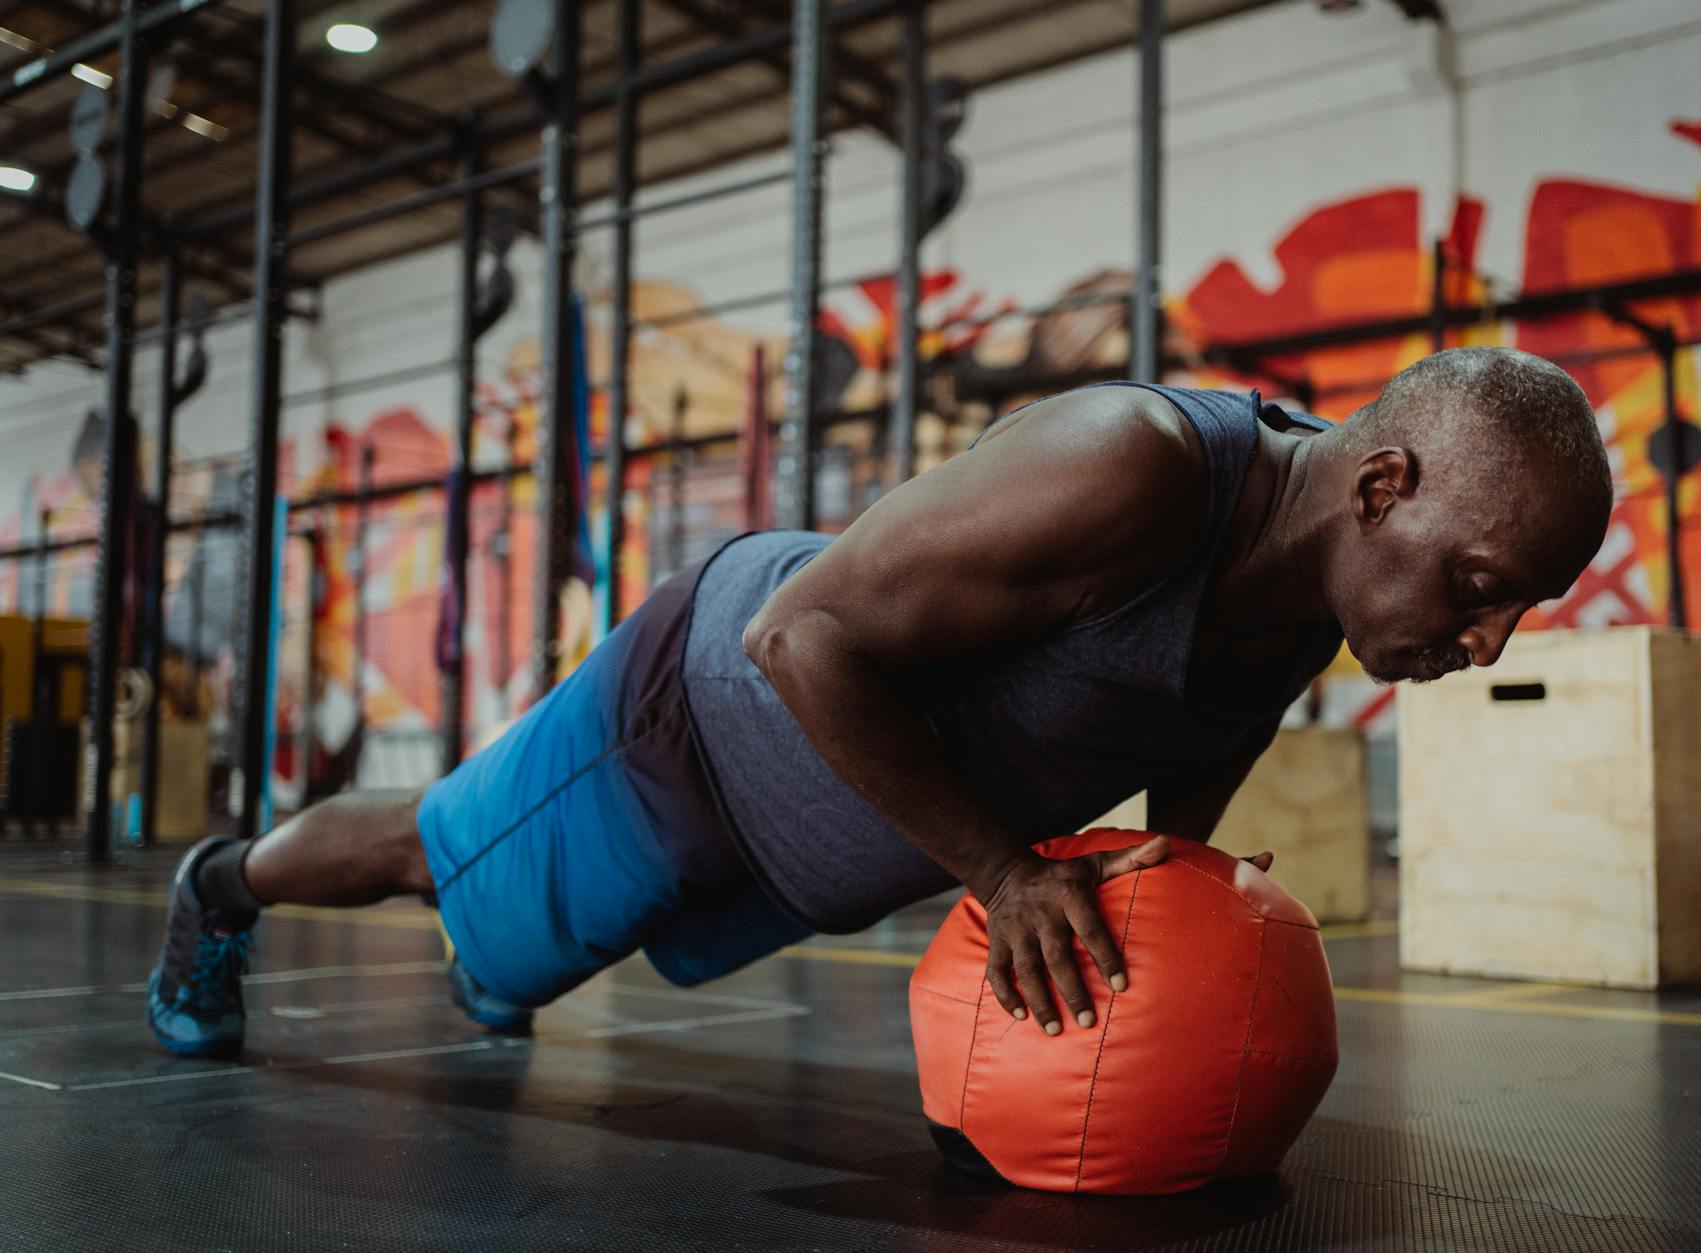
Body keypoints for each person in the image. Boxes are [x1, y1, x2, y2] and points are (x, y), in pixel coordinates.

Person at [147, 346, 1612, 1057]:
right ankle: (221, 883)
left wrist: (1183, 900)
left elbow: (1199, 742)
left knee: (522, 956)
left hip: (819, 841)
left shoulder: (1320, 596)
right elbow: (799, 635)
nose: (1485, 639)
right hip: (697, 729)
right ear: (1381, 488)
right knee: (442, 854)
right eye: (1480, 584)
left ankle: (505, 953)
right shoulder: (1136, 468)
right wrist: (998, 871)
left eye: (1519, 606)